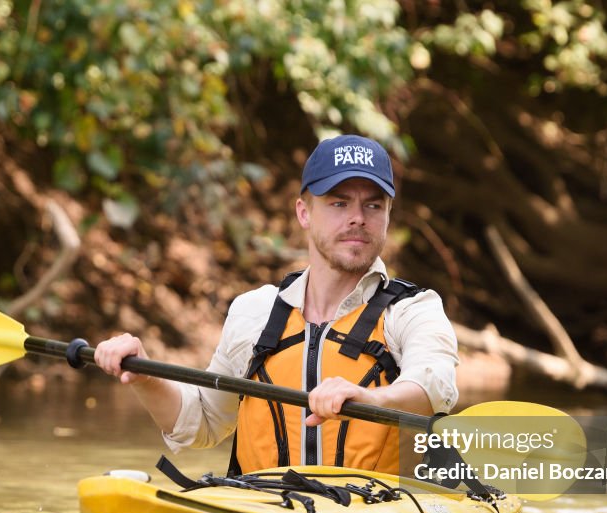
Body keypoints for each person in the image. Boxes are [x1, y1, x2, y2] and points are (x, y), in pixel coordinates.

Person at [94, 134, 459, 475]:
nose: (357, 218)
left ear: (387, 217)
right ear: (304, 212)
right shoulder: (255, 312)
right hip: (269, 510)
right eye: (338, 203)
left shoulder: (414, 310)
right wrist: (143, 376)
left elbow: (434, 388)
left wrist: (370, 399)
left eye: (373, 205)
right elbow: (202, 423)